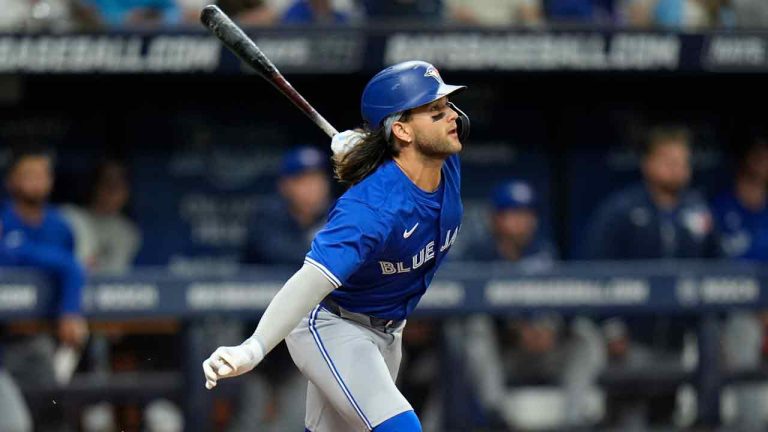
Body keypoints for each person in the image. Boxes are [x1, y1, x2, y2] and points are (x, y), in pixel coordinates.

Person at [202, 60, 470, 431]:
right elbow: (310, 280)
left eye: (449, 106)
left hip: (389, 333)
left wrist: (371, 153)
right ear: (403, 130)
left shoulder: (444, 163)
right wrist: (254, 347)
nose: (452, 116)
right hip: (333, 327)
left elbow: (402, 163)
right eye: (435, 111)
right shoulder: (369, 207)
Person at [0, 147, 88, 430]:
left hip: (42, 338)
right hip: (5, 337)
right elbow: (65, 264)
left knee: (51, 415)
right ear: (11, 181)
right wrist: (63, 265)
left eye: (42, 175)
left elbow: (73, 267)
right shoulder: (4, 223)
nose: (36, 182)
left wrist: (70, 310)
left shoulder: (61, 226)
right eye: (28, 175)